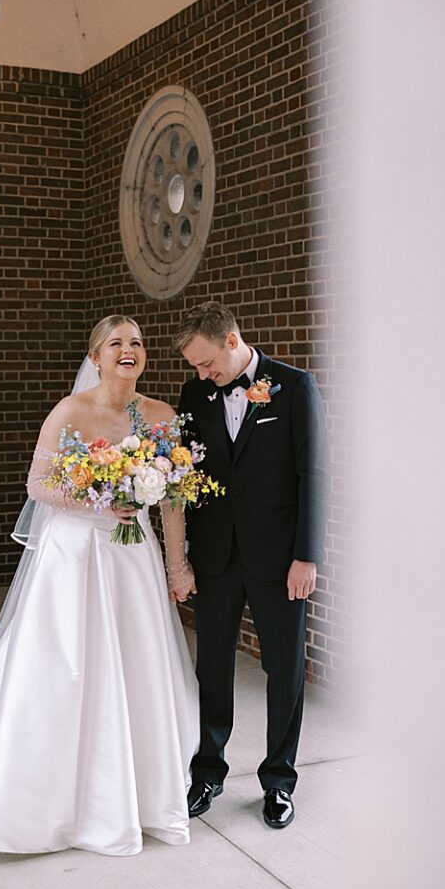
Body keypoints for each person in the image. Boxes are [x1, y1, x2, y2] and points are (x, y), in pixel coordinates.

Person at [0, 315, 199, 856]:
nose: (128, 351)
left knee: (137, 663)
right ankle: (50, 803)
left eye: (136, 343)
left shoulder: (162, 416)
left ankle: (142, 797)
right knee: (67, 666)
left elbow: (173, 499)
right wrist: (99, 500)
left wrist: (177, 566)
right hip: (75, 554)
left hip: (134, 557)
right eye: (116, 344)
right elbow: (38, 483)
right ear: (97, 356)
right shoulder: (71, 411)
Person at [174, 301, 327, 829]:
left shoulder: (295, 386)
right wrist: (185, 556)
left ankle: (279, 782)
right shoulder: (195, 395)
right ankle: (208, 772)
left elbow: (313, 475)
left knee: (283, 671)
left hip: (281, 560)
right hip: (216, 557)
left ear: (232, 340)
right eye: (195, 367)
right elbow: (186, 476)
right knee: (211, 668)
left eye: (207, 362)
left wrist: (306, 555)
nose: (201, 375)